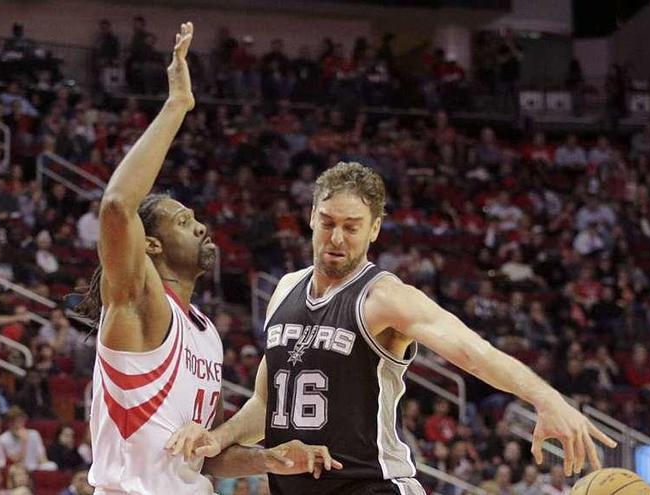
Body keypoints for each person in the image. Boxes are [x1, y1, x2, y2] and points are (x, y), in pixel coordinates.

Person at [168, 162, 617, 494]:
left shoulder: (384, 296)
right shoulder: (286, 289)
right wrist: (220, 436)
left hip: (373, 486)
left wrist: (545, 398)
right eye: (327, 224)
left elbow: (469, 349)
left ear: (375, 229)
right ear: (310, 218)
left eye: (351, 226)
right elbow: (267, 401)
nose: (337, 238)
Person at [73, 22, 338, 495]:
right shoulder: (139, 302)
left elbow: (205, 457)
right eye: (181, 221)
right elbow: (116, 205)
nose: (200, 226)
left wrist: (270, 459)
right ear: (149, 245)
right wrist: (177, 106)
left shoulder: (207, 333)